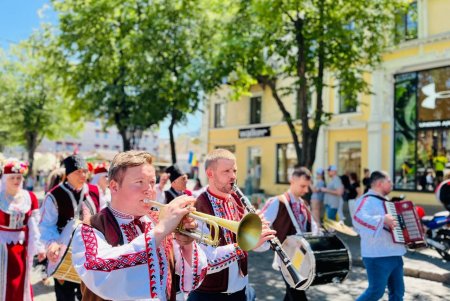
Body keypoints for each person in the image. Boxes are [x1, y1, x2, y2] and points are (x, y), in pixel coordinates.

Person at [72, 150, 207, 301]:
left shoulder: (159, 220)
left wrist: (187, 244)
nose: (149, 190)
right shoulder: (89, 228)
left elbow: (190, 282)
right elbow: (99, 273)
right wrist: (161, 230)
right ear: (114, 187)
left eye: (152, 182)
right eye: (139, 182)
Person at [188, 148, 276, 301]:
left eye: (234, 170)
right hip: (209, 295)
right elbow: (207, 261)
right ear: (210, 174)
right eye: (226, 171)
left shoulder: (238, 200)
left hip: (241, 290)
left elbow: (261, 247)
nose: (233, 176)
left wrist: (260, 236)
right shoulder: (197, 206)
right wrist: (243, 245)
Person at [39, 154, 101, 301]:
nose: (83, 174)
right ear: (68, 174)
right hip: (63, 254)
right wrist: (51, 243)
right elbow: (46, 225)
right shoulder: (54, 195)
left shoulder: (95, 191)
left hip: (88, 254)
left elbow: (102, 216)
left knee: (87, 296)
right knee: (64, 297)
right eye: (78, 171)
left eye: (85, 171)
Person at [259, 168, 319, 301]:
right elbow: (261, 224)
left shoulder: (303, 203)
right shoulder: (277, 202)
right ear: (292, 181)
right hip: (287, 257)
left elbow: (312, 228)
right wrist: (265, 243)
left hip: (303, 256)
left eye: (307, 186)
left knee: (293, 293)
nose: (306, 190)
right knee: (298, 293)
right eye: (303, 186)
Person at [353, 171, 405, 301]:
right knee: (375, 292)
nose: (392, 184)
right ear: (380, 183)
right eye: (389, 181)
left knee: (398, 293)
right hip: (377, 255)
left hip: (395, 254)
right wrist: (382, 219)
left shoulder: (387, 202)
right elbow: (358, 218)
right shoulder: (366, 200)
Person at [0, 159, 46, 301]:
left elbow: (34, 225)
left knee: (20, 281)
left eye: (19, 177)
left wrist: (39, 247)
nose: (16, 180)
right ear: (5, 179)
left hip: (22, 248)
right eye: (12, 177)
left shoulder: (30, 197)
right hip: (1, 246)